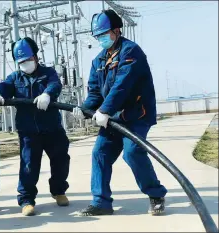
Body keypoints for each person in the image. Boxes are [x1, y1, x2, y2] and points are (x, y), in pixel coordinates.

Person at [72, 9, 168, 216]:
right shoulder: (98, 61)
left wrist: (105, 110)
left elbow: (122, 85)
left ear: (117, 30)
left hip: (136, 115)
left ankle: (156, 194)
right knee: (100, 153)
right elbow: (95, 91)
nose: (101, 39)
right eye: (98, 36)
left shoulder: (131, 52)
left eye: (104, 34)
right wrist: (85, 109)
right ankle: (101, 202)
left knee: (132, 152)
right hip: (113, 118)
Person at [0, 37, 71, 216]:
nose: (25, 64)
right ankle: (26, 200)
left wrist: (48, 94)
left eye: (27, 60)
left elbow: (55, 84)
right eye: (21, 62)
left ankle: (58, 191)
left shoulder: (48, 72)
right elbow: (4, 86)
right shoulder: (15, 77)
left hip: (52, 128)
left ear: (35, 57)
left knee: (61, 160)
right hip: (28, 131)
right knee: (28, 165)